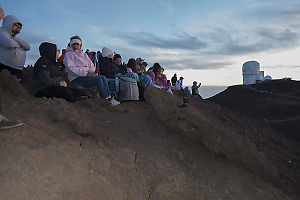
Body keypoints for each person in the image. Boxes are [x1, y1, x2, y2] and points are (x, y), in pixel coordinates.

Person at [63, 36, 119, 106]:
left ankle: (108, 96)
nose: (76, 46)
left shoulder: (84, 55)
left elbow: (91, 65)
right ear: (71, 44)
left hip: (86, 76)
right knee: (98, 79)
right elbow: (71, 69)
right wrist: (86, 74)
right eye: (74, 44)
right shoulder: (68, 55)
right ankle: (106, 99)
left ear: (80, 45)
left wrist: (92, 73)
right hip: (76, 79)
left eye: (78, 44)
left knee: (103, 77)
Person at [0, 9, 30, 82]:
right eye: (16, 25)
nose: (18, 28)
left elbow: (27, 47)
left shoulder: (14, 38)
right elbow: (9, 44)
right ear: (9, 24)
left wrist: (16, 39)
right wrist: (18, 45)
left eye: (19, 26)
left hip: (16, 68)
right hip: (4, 66)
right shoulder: (1, 32)